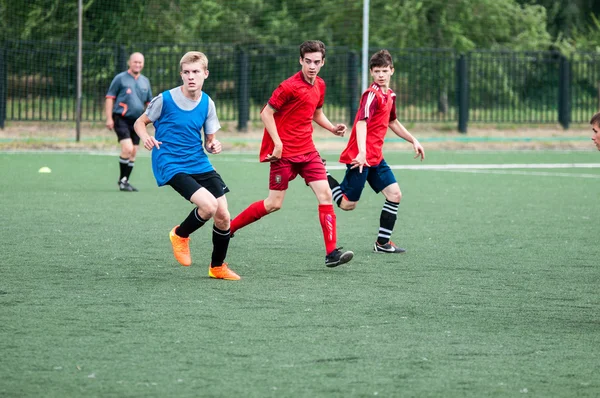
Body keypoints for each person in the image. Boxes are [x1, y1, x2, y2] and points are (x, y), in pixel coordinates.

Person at [230, 40, 354, 268]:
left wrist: (332, 127)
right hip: (284, 155)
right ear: (301, 61)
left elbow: (316, 112)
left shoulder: (320, 85)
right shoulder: (288, 86)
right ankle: (229, 227)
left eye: (317, 62)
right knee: (273, 204)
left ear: (323, 62)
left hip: (308, 152)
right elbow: (266, 113)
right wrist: (277, 144)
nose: (312, 66)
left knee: (326, 195)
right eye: (308, 61)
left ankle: (331, 253)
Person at [133, 51, 240, 280]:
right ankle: (180, 235)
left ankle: (217, 267)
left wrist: (213, 145)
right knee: (209, 207)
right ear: (181, 74)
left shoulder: (207, 103)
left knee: (223, 215)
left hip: (198, 161)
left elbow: (209, 141)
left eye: (196, 72)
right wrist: (145, 137)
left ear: (205, 74)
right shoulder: (165, 99)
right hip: (170, 162)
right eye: (187, 72)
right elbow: (140, 122)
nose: (191, 77)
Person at [325, 50, 425, 254]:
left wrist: (413, 139)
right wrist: (361, 153)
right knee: (346, 205)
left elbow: (392, 122)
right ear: (371, 72)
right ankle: (321, 174)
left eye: (384, 71)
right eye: (377, 71)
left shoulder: (390, 96)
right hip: (360, 158)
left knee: (395, 194)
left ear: (392, 71)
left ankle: (382, 244)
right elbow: (361, 124)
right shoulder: (372, 95)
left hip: (376, 158)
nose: (381, 75)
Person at [105, 52, 153, 192]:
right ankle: (122, 181)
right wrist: (109, 118)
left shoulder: (145, 81)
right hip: (121, 118)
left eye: (140, 62)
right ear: (129, 63)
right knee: (127, 148)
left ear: (143, 64)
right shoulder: (120, 79)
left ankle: (124, 181)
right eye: (135, 62)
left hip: (138, 121)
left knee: (134, 152)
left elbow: (149, 102)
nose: (137, 64)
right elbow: (109, 97)